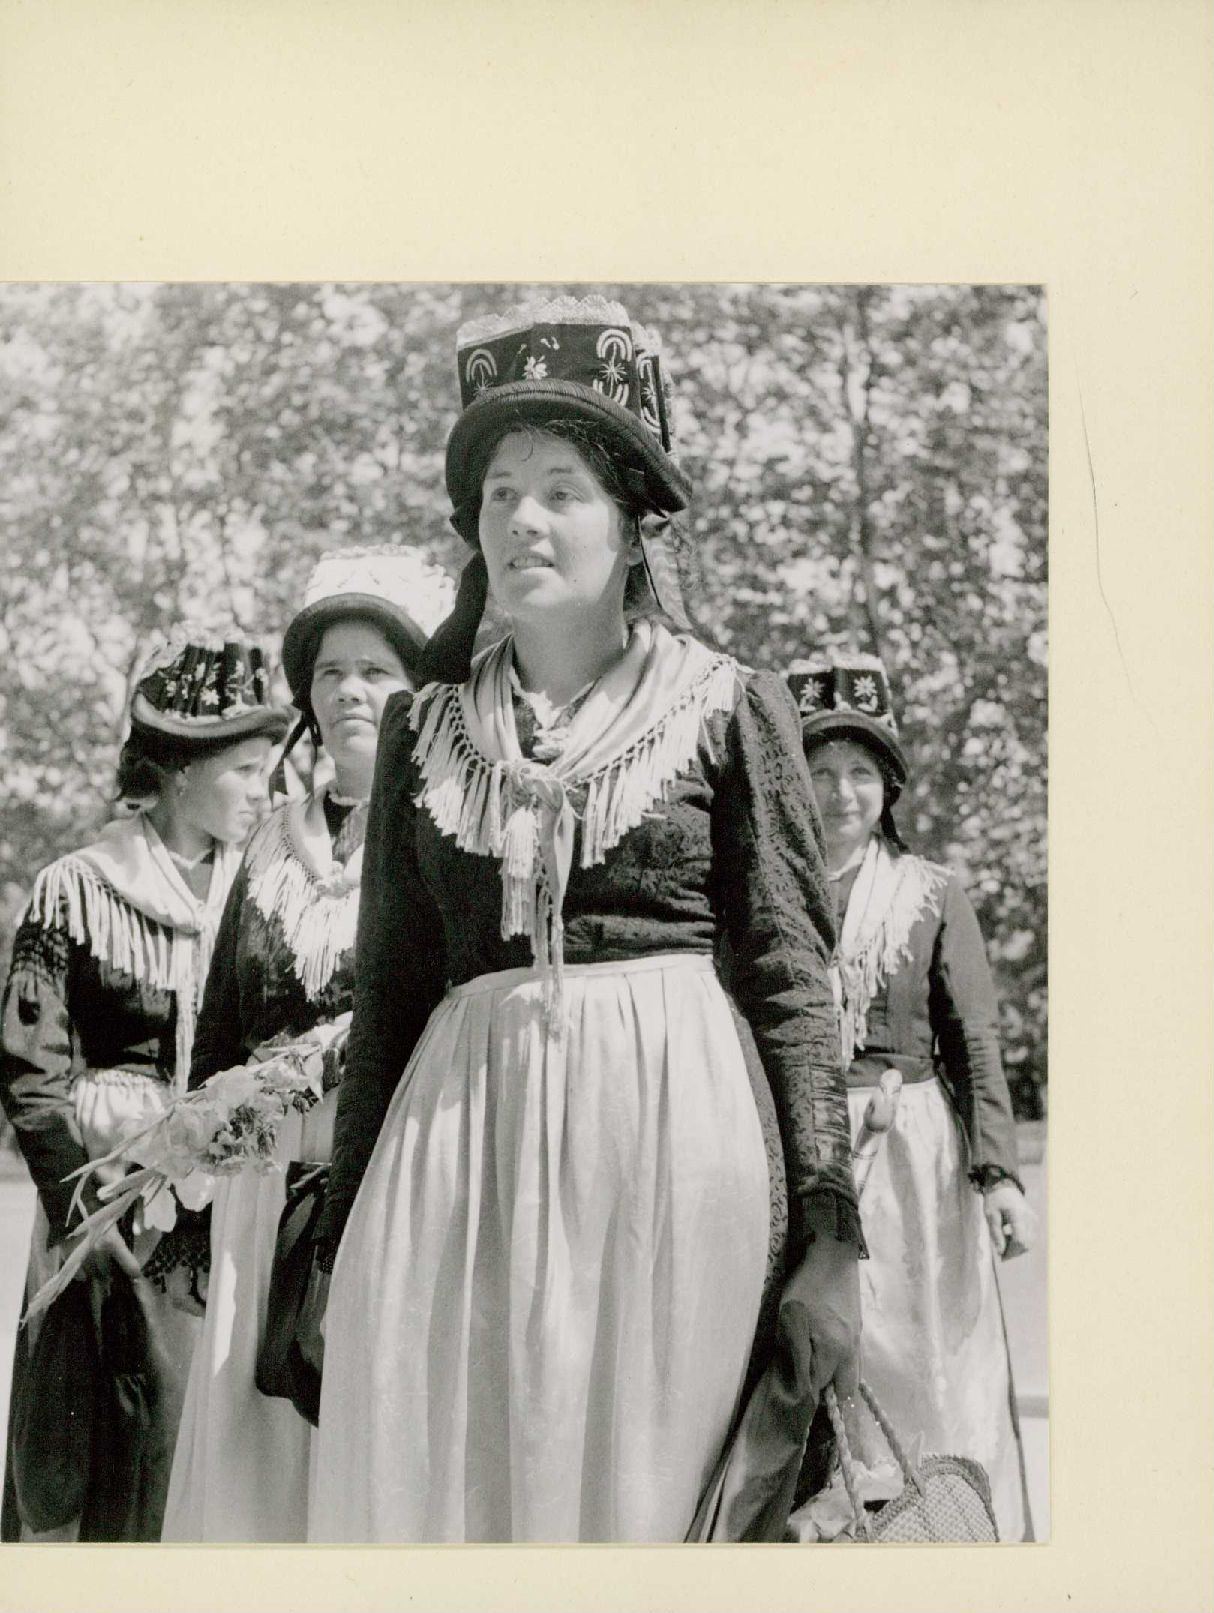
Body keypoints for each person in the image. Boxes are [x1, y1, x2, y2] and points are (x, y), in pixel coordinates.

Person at [305, 294, 863, 1543]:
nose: (522, 518)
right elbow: (389, 992)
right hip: (454, 1166)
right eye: (499, 492)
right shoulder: (422, 730)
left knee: (640, 1499)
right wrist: (338, 1242)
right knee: (459, 1495)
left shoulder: (726, 704)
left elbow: (788, 974)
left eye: (560, 489)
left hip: (674, 1161)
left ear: (630, 523)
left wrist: (832, 1237)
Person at [160, 546, 454, 1542]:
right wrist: (192, 1204)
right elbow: (218, 1025)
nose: (348, 691)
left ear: (418, 687)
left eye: (375, 669)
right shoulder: (266, 842)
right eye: (330, 671)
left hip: (387, 1173)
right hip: (258, 1184)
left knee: (364, 1440)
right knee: (255, 1452)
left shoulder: (442, 830)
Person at [0, 631, 289, 1542]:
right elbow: (30, 1067)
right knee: (103, 1441)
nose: (264, 790)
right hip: (103, 1199)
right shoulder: (77, 888)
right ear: (180, 771)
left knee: (213, 1440)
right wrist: (79, 1213)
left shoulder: (270, 889)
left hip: (229, 1198)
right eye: (245, 770)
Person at [787, 650, 1035, 1541]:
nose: (840, 792)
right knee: (815, 1343)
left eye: (860, 771)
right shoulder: (772, 892)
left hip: (908, 1152)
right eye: (820, 770)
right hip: (800, 1139)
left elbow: (974, 1042)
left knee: (918, 1343)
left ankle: (939, 1519)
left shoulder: (930, 894)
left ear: (887, 785)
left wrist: (998, 1174)